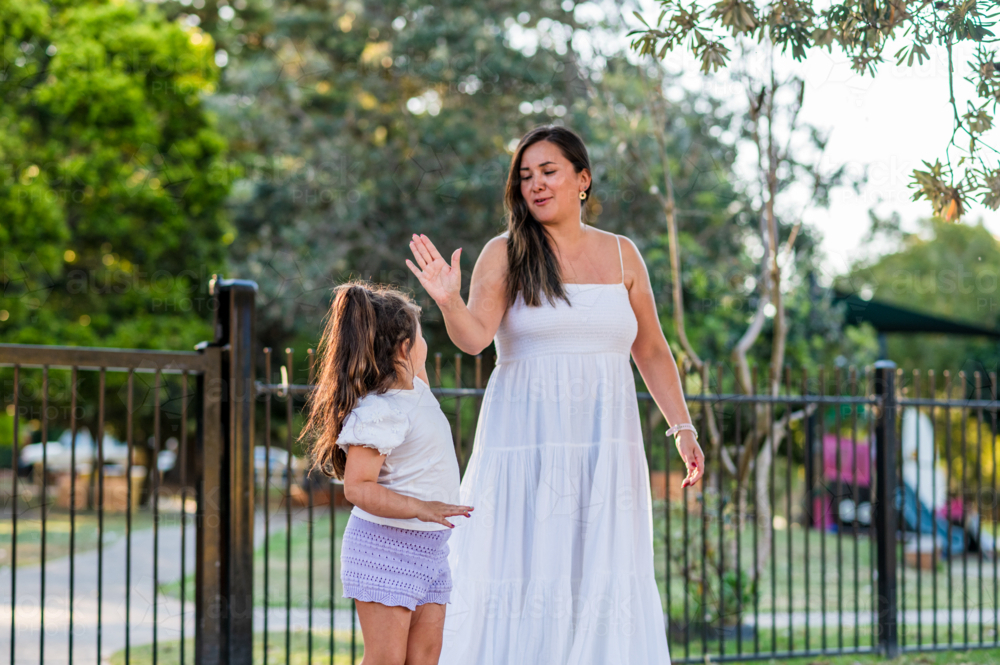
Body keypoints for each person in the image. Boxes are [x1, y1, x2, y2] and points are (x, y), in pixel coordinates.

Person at [405, 125, 705, 664]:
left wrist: (682, 428)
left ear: (582, 180)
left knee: (598, 571)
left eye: (549, 172)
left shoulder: (622, 255)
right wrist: (449, 301)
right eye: (525, 177)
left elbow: (653, 350)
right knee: (524, 569)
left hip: (604, 447)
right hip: (526, 446)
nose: (536, 185)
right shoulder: (505, 253)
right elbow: (474, 339)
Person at [300, 280, 474, 665]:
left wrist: (447, 297)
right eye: (420, 333)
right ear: (405, 347)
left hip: (431, 550)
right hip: (385, 548)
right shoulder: (379, 411)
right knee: (386, 659)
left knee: (425, 657)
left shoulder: (418, 393)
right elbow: (358, 488)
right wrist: (419, 506)